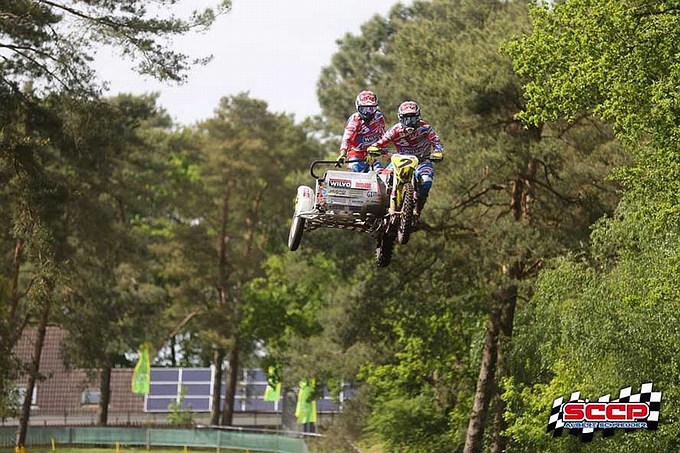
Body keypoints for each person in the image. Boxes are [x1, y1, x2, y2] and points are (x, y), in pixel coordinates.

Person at [368, 100, 444, 216]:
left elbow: (437, 142)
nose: (409, 122)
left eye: (412, 118)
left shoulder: (426, 128)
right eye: (406, 118)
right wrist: (374, 148)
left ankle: (418, 208)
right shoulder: (395, 130)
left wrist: (438, 152)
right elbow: (381, 142)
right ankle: (381, 208)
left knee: (426, 182)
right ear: (400, 118)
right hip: (400, 161)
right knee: (382, 180)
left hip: (422, 161)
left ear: (418, 117)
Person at [336, 90, 387, 172]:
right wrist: (343, 154)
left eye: (371, 109)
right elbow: (346, 139)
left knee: (381, 173)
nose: (367, 113)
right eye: (364, 109)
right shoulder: (354, 120)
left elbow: (383, 135)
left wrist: (382, 150)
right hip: (356, 156)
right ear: (358, 107)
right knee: (354, 172)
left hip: (372, 155)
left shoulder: (379, 117)